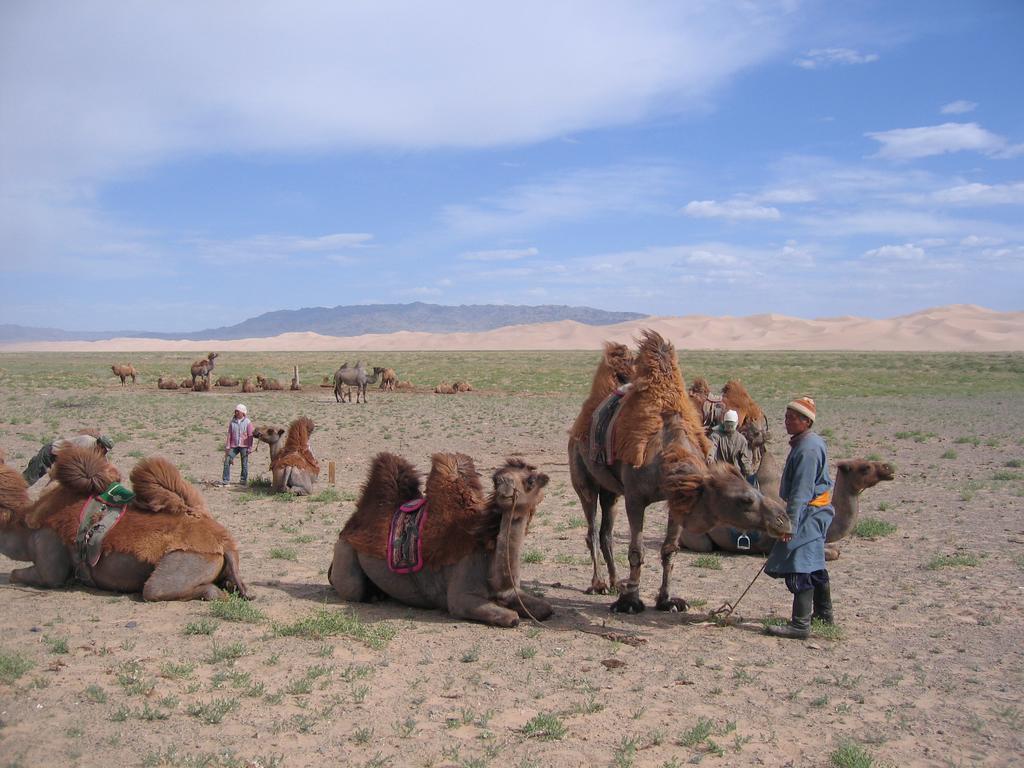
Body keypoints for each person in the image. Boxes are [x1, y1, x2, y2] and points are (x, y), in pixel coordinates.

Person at [764, 396, 834, 639]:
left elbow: (801, 493)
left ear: (806, 421)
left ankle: (800, 625)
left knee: (801, 565)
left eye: (792, 418)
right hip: (813, 513)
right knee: (815, 563)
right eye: (786, 417)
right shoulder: (808, 443)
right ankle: (824, 614)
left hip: (808, 515)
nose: (786, 422)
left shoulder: (808, 450)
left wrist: (788, 525)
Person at [23, 431, 114, 485]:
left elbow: (105, 466)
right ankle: (13, 492)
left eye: (106, 451)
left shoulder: (100, 454)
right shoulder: (86, 441)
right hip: (51, 452)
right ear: (99, 444)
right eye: (103, 449)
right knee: (31, 477)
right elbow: (74, 461)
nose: (104, 452)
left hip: (62, 459)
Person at [706, 409, 752, 478]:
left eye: (731, 424)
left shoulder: (715, 435)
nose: (730, 426)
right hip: (734, 475)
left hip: (719, 473)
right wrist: (750, 475)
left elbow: (710, 452)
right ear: (736, 423)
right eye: (729, 424)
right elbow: (745, 463)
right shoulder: (741, 439)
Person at [222, 404, 255, 486]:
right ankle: (225, 480)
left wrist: (250, 448)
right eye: (236, 411)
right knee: (227, 460)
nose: (236, 413)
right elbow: (229, 435)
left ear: (243, 413)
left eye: (238, 411)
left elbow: (250, 436)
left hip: (244, 446)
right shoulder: (232, 422)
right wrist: (228, 446)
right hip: (234, 446)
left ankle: (243, 480)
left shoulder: (248, 422)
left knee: (244, 463)